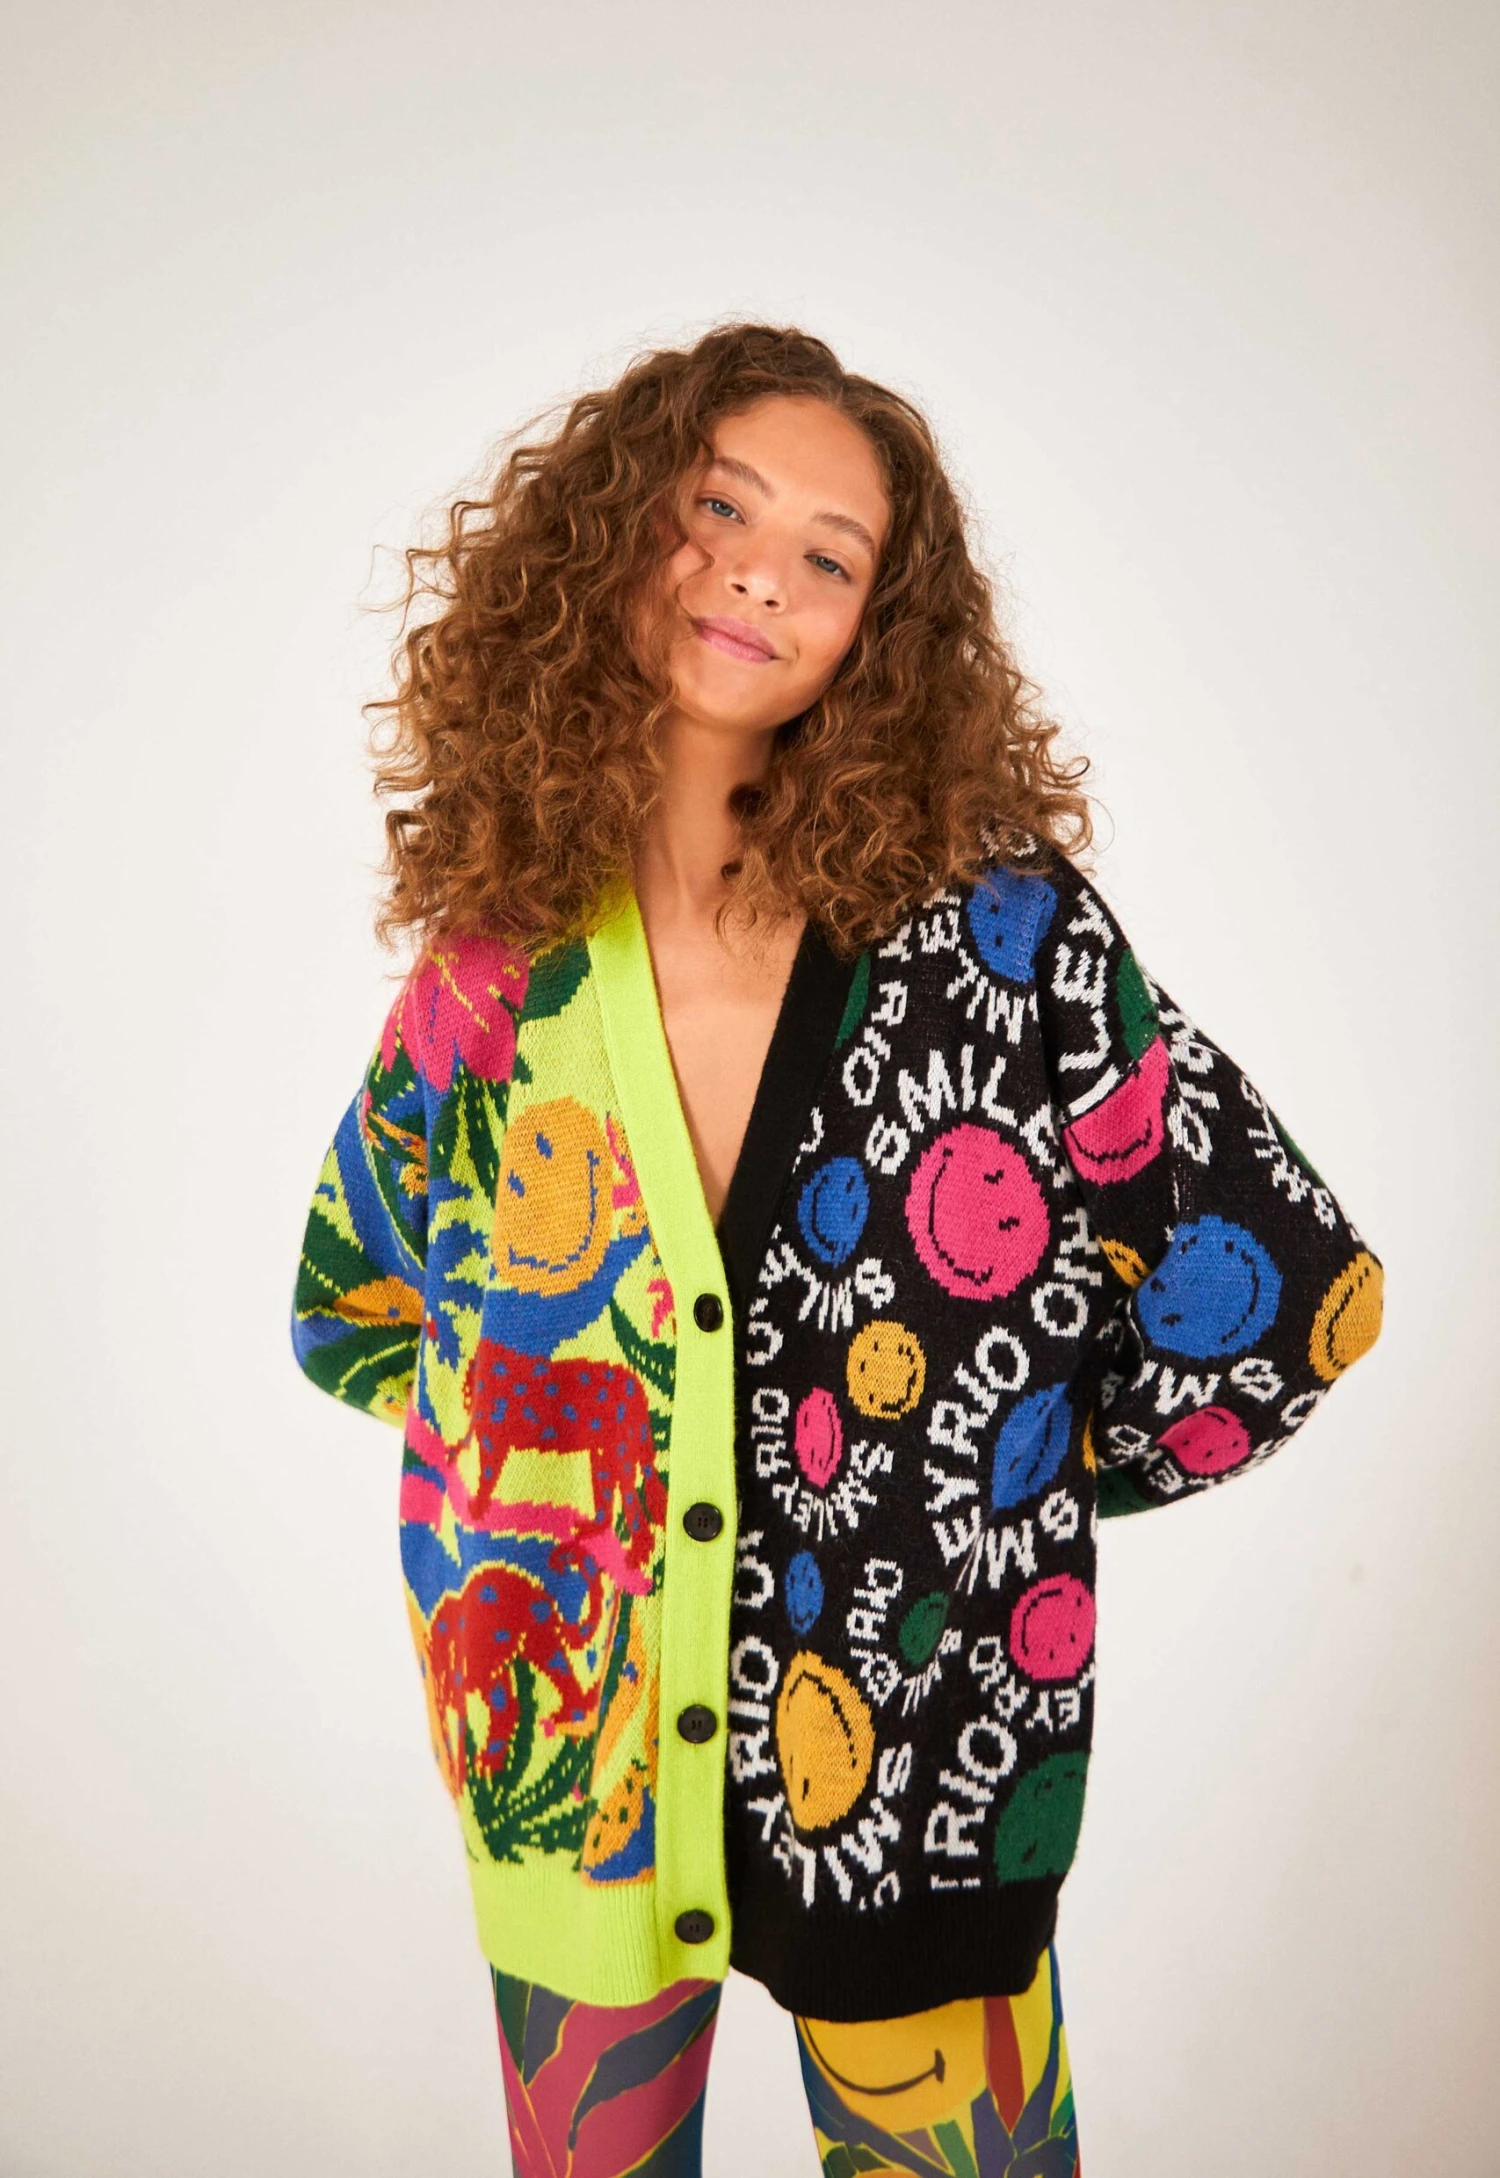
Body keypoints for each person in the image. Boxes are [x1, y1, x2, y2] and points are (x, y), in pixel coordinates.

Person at [289, 321, 1384, 2176]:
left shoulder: (1005, 938)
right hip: (577, 1773)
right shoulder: (499, 961)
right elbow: (359, 1304)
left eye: (828, 554)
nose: (757, 575)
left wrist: (1002, 1491)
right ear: (613, 528)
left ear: (881, 629)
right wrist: (563, 1489)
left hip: (928, 1771)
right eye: (719, 509)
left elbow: (1290, 1297)